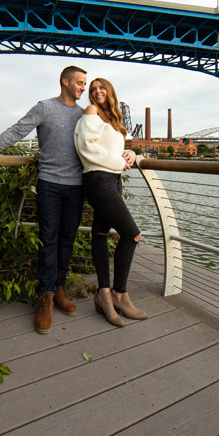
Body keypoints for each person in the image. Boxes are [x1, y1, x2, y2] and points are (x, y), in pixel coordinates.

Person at [0, 66, 88, 334]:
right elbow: (16, 132)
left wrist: (128, 153)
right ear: (65, 82)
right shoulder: (44, 107)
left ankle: (59, 289)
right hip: (49, 185)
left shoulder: (84, 115)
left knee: (67, 240)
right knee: (49, 241)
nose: (83, 88)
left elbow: (105, 139)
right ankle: (45, 296)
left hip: (77, 187)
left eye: (84, 83)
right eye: (79, 83)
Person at [73, 77, 146, 326]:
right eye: (92, 89)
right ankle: (119, 294)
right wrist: (118, 163)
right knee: (132, 234)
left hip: (112, 180)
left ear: (110, 90)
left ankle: (103, 295)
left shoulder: (113, 118)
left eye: (101, 87)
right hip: (98, 179)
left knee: (101, 234)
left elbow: (114, 149)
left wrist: (132, 154)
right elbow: (86, 145)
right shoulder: (91, 111)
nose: (96, 91)